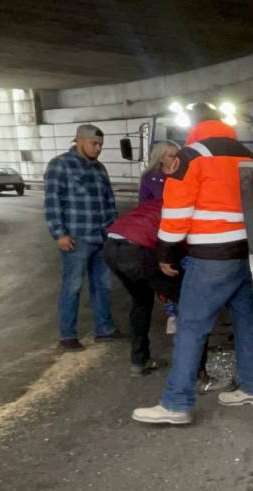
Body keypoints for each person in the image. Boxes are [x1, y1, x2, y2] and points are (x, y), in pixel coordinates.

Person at [131, 104, 253, 425]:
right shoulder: (249, 158)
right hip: (245, 255)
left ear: (193, 127)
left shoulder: (190, 157)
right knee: (247, 322)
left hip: (210, 258)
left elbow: (176, 212)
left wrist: (165, 254)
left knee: (191, 328)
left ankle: (176, 403)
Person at [103, 141, 182, 376]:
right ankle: (197, 370)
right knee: (186, 300)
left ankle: (139, 361)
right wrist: (165, 261)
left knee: (141, 301)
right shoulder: (177, 206)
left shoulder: (155, 201)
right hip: (136, 249)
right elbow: (171, 240)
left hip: (112, 244)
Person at [44, 123, 123, 350]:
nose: (98, 148)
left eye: (100, 145)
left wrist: (113, 232)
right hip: (77, 238)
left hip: (101, 236)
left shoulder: (99, 169)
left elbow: (109, 203)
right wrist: (59, 234)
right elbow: (52, 203)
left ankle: (104, 330)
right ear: (79, 140)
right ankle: (67, 335)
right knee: (72, 285)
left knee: (103, 285)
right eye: (94, 143)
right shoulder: (60, 166)